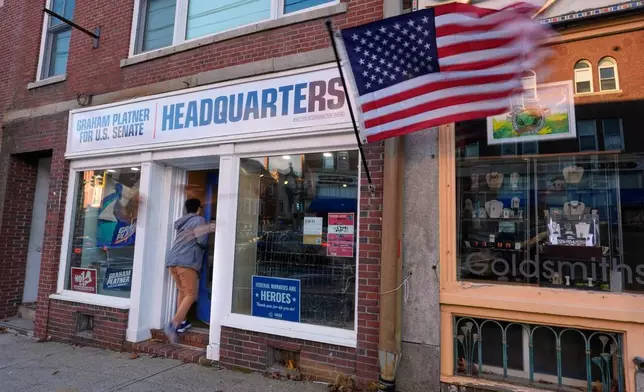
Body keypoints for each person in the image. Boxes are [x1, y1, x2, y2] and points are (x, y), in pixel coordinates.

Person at [164, 198, 215, 342]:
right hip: (186, 261)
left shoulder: (184, 222)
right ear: (199, 208)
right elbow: (201, 241)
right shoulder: (199, 220)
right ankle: (173, 324)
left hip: (173, 261)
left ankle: (182, 322)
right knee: (191, 295)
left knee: (183, 292)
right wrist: (208, 247)